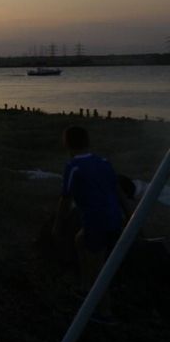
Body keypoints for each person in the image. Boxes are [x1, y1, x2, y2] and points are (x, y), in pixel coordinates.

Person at [52, 126, 126, 325]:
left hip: (96, 222)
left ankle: (105, 313)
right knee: (80, 240)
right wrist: (129, 215)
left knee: (98, 268)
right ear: (88, 141)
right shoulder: (103, 162)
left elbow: (65, 200)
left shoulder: (73, 166)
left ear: (66, 143)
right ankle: (85, 288)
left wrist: (57, 226)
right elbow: (118, 190)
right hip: (114, 218)